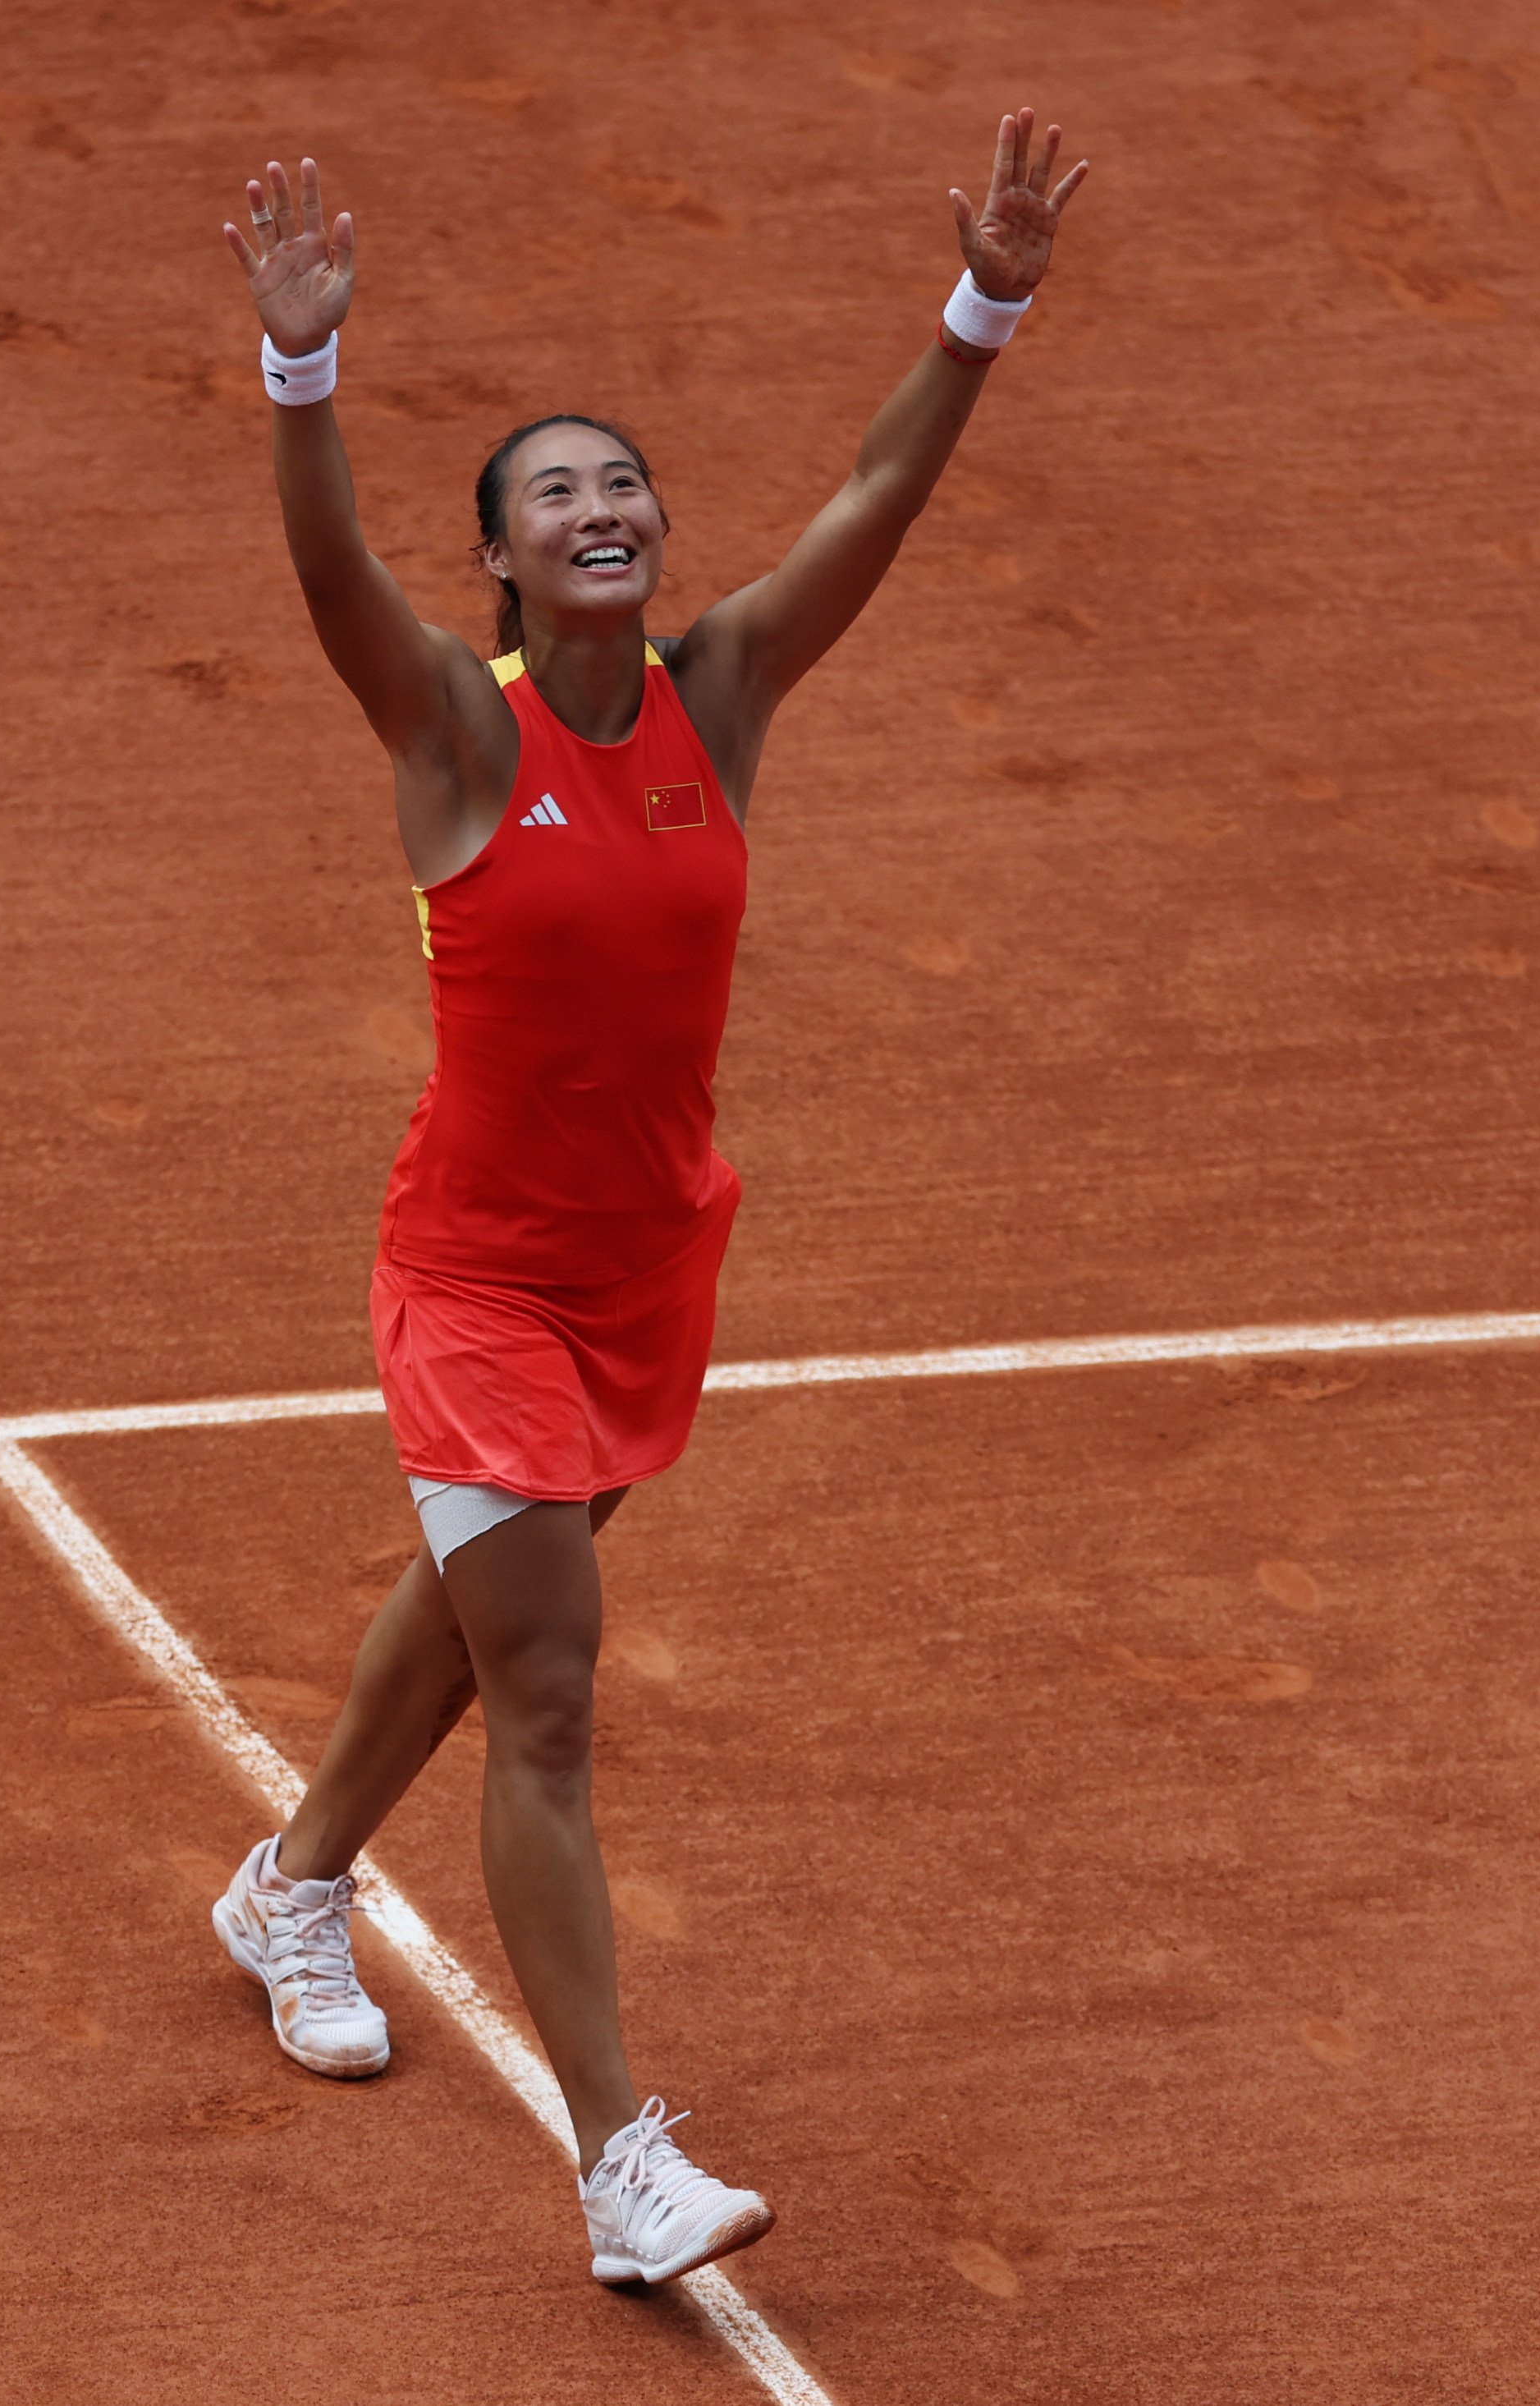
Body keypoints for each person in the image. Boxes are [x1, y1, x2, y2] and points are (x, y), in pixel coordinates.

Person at [206, 113, 1090, 2289]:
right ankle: (621, 2159)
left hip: (645, 1261)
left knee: (487, 1598)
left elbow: (876, 493)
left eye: (623, 486)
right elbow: (331, 581)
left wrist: (985, 301)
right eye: (555, 495)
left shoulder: (726, 695)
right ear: (500, 562)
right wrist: (303, 376)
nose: (603, 510)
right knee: (556, 1683)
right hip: (481, 1278)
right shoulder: (451, 735)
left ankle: (293, 1880)